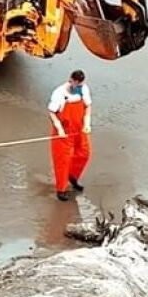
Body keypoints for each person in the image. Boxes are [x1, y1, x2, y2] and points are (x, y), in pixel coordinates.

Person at [48, 70, 92, 201]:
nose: (77, 86)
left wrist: (87, 122)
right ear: (71, 80)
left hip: (79, 127)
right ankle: (61, 190)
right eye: (75, 83)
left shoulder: (83, 89)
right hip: (64, 130)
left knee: (85, 152)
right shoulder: (59, 93)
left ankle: (72, 175)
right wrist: (59, 128)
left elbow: (88, 106)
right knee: (63, 160)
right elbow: (51, 112)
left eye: (80, 84)